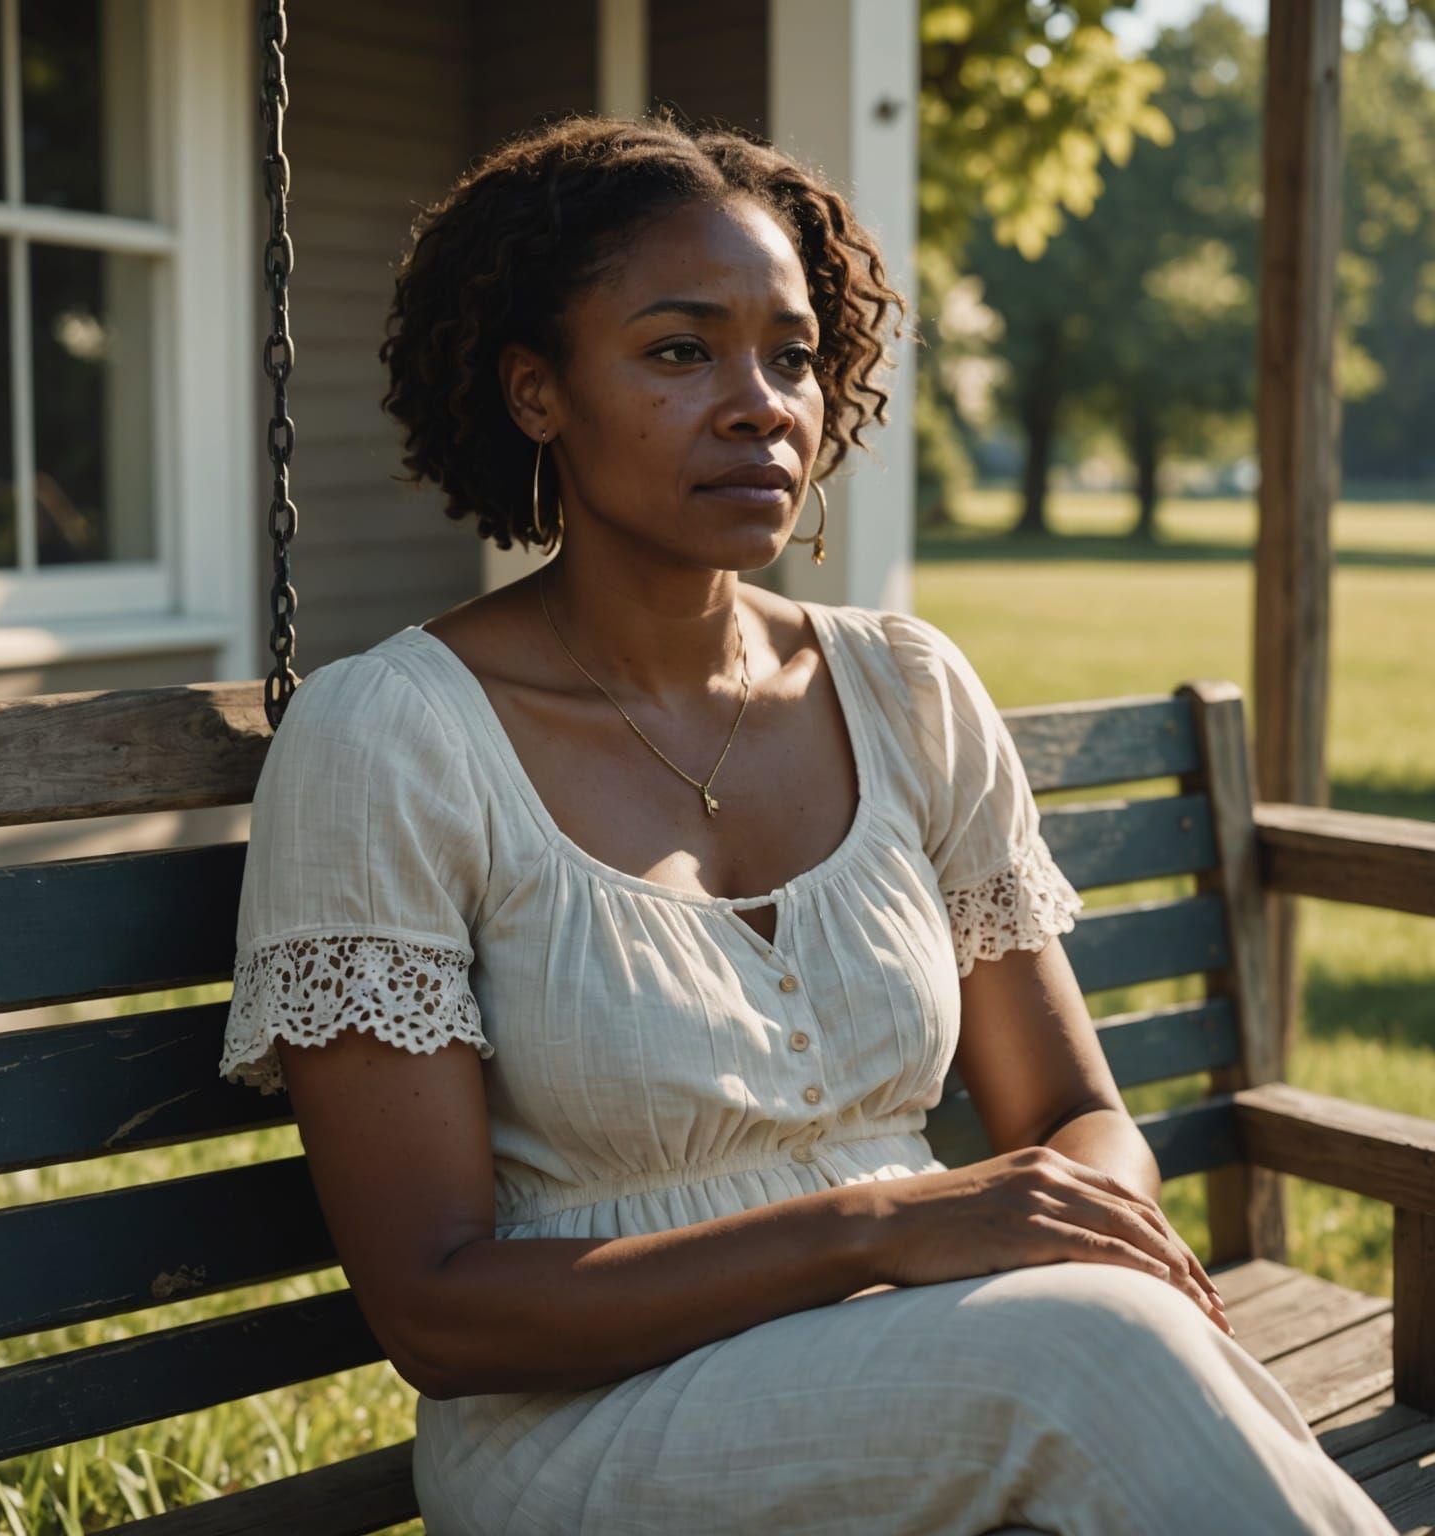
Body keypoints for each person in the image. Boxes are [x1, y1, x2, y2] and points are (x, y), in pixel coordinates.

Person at [217, 109, 1397, 1536]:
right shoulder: (395, 737)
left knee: (1112, 1342)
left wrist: (1065, 1224)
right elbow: (440, 1309)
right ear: (536, 392)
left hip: (951, 1346)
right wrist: (885, 1228)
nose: (760, 404)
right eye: (680, 352)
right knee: (1099, 1358)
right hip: (588, 1418)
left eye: (791, 356)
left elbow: (1071, 1117)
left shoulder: (902, 688)